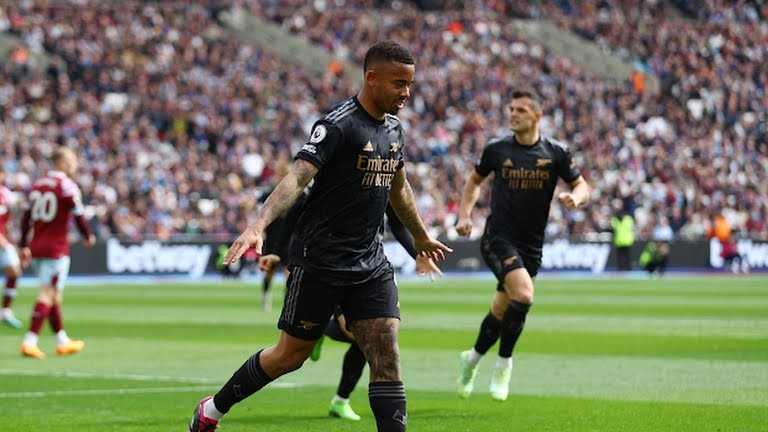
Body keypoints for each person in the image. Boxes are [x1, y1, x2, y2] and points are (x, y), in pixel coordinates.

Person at [188, 40, 452, 432]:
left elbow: (399, 189)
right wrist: (259, 225)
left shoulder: (394, 130)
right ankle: (212, 409)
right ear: (371, 77)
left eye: (410, 84)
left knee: (385, 352)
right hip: (320, 261)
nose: (407, 93)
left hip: (369, 263)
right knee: (288, 356)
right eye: (399, 83)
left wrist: (420, 237)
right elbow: (297, 178)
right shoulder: (337, 125)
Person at [454, 89, 590, 401]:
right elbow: (474, 181)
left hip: (532, 245)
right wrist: (464, 215)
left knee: (501, 311)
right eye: (511, 109)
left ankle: (471, 360)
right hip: (498, 239)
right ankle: (503, 367)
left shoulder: (555, 153)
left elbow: (581, 185)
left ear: (537, 116)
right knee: (525, 295)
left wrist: (576, 199)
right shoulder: (497, 149)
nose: (513, 114)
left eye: (521, 110)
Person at [259, 203, 443, 421]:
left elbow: (397, 222)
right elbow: (296, 213)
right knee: (357, 337)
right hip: (328, 267)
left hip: (366, 270)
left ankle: (340, 399)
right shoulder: (331, 173)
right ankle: (320, 334)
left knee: (368, 338)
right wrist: (276, 251)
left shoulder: (385, 173)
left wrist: (418, 253)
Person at [18, 147, 96, 359]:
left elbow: (26, 218)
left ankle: (62, 340)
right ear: (61, 162)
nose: (74, 164)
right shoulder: (66, 185)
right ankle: (30, 341)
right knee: (47, 294)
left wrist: (23, 244)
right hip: (56, 249)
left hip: (36, 246)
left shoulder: (37, 184)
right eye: (71, 160)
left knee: (54, 296)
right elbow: (78, 214)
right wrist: (88, 235)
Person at [0, 166, 23, 328]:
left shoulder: (5, 194)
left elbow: (7, 222)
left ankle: (5, 312)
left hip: (3, 241)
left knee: (14, 271)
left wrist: (12, 242)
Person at [610, 198, 635, 271]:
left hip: (620, 240)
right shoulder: (628, 217)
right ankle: (628, 268)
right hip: (627, 240)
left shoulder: (615, 218)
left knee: (621, 257)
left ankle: (622, 269)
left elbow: (612, 227)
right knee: (627, 257)